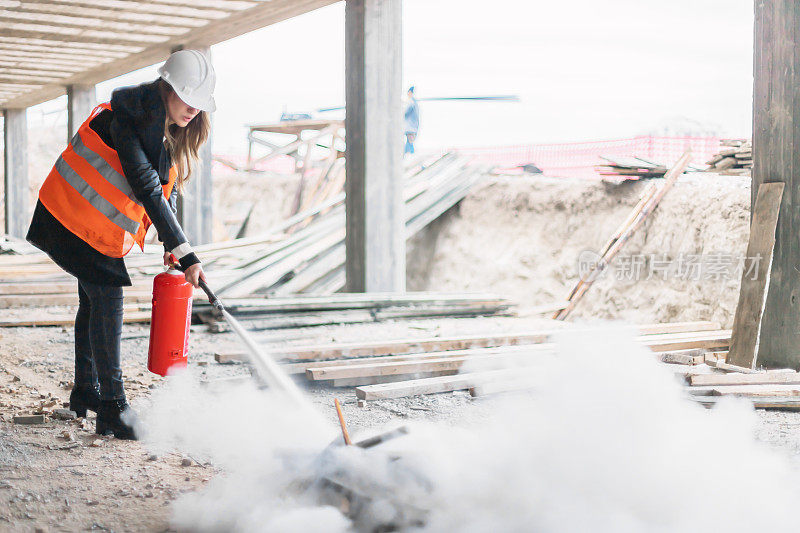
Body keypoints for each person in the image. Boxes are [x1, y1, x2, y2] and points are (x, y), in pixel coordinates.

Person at [26, 49, 216, 440]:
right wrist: (186, 252)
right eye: (188, 98)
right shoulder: (129, 118)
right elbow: (146, 184)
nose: (193, 110)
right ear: (168, 87)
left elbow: (168, 183)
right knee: (108, 299)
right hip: (70, 217)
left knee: (92, 301)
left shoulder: (161, 120)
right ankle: (112, 408)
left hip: (86, 222)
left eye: (200, 104)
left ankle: (86, 390)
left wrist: (170, 241)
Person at [403, 86, 420, 154]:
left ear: (410, 93)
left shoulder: (411, 102)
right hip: (413, 127)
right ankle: (409, 156)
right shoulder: (415, 103)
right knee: (409, 143)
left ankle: (408, 156)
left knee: (409, 144)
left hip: (410, 128)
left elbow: (405, 113)